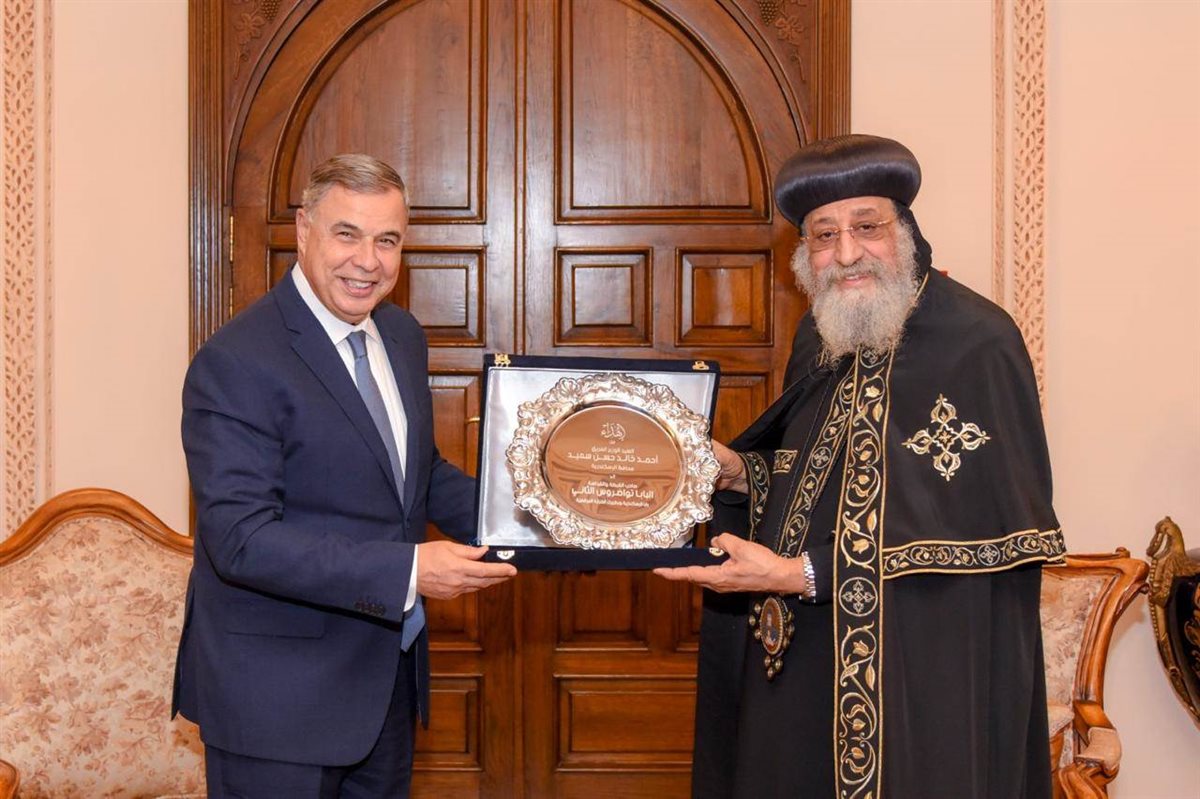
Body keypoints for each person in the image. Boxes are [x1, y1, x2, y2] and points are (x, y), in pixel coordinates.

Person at [657, 134, 1065, 798]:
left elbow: (984, 537)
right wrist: (739, 474)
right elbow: (815, 481)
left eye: (866, 227)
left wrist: (801, 573)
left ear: (904, 229)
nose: (846, 253)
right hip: (799, 664)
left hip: (919, 684)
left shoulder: (979, 342)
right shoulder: (822, 334)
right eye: (825, 235)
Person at [172, 153, 517, 798]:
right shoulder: (237, 360)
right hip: (275, 703)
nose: (368, 261)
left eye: (387, 240)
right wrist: (409, 571)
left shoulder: (401, 335)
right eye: (347, 234)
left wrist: (544, 519)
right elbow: (242, 539)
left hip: (383, 685)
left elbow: (417, 477)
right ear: (304, 230)